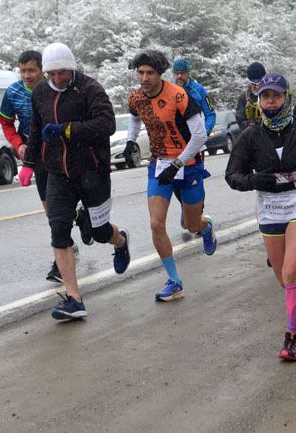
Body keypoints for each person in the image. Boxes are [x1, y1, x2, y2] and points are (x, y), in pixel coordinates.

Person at [225, 74, 296, 361]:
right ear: (259, 101)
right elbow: (232, 175)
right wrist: (252, 181)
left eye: (276, 95)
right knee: (285, 281)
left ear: (287, 97)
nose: (271, 101)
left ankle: (292, 338)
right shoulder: (250, 136)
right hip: (270, 207)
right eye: (266, 96)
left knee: (290, 271)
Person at [24, 42, 131, 321]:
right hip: (58, 173)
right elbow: (35, 129)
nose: (57, 79)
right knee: (58, 230)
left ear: (71, 68)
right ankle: (74, 299)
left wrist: (66, 130)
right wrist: (28, 163)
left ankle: (120, 241)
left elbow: (107, 124)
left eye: (62, 73)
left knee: (100, 232)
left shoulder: (90, 89)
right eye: (52, 74)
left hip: (92, 171)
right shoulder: (40, 93)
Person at [124, 49, 216, 302]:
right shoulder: (136, 97)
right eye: (140, 73)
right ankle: (174, 281)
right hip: (158, 163)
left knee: (192, 225)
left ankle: (206, 227)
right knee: (156, 224)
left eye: (150, 73)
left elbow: (199, 136)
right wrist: (131, 141)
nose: (144, 78)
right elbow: (134, 118)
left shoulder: (178, 95)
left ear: (160, 74)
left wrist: (177, 163)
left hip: (188, 162)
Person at [1, 50, 68, 283]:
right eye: (22, 71)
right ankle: (62, 256)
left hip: (62, 152)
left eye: (31, 70)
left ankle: (78, 222)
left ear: (43, 70)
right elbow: (6, 123)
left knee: (67, 204)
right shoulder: (13, 92)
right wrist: (18, 144)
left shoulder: (55, 86)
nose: (26, 75)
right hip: (36, 156)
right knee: (51, 210)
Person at [167, 57, 216, 230]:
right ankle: (186, 208)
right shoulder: (168, 89)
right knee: (175, 180)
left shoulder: (198, 89)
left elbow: (210, 114)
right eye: (176, 73)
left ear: (188, 73)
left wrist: (204, 133)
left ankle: (197, 213)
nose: (179, 76)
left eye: (183, 73)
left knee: (195, 179)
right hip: (175, 144)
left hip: (195, 143)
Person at [236, 61, 266, 129]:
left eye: (260, 83)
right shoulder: (244, 97)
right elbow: (240, 121)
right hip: (252, 132)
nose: (257, 87)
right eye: (254, 84)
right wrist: (255, 125)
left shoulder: (271, 93)